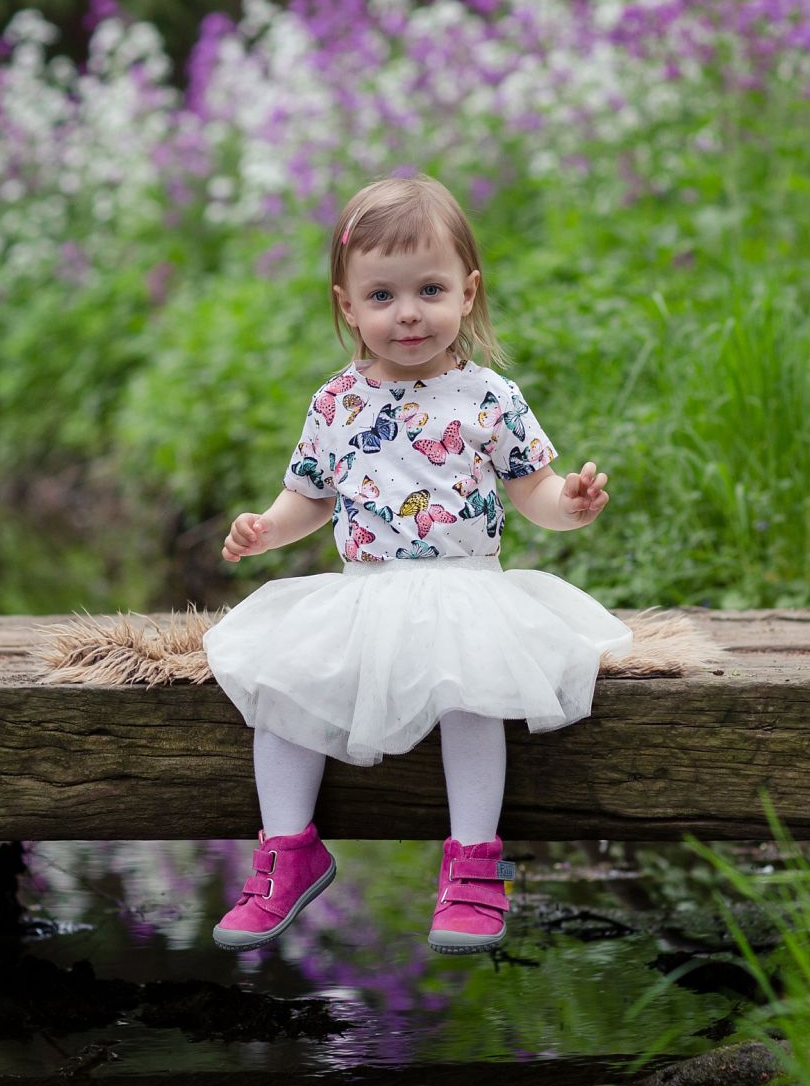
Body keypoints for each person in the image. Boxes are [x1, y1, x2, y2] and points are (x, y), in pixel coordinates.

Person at [202, 173, 631, 956]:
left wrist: (568, 504)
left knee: (473, 696)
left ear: (468, 293)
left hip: (468, 592)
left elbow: (529, 488)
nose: (407, 313)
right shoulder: (337, 402)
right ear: (347, 305)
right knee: (282, 684)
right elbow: (312, 496)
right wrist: (267, 529)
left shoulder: (488, 395)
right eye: (382, 296)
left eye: (429, 289)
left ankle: (472, 868)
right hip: (366, 592)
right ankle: (288, 852)